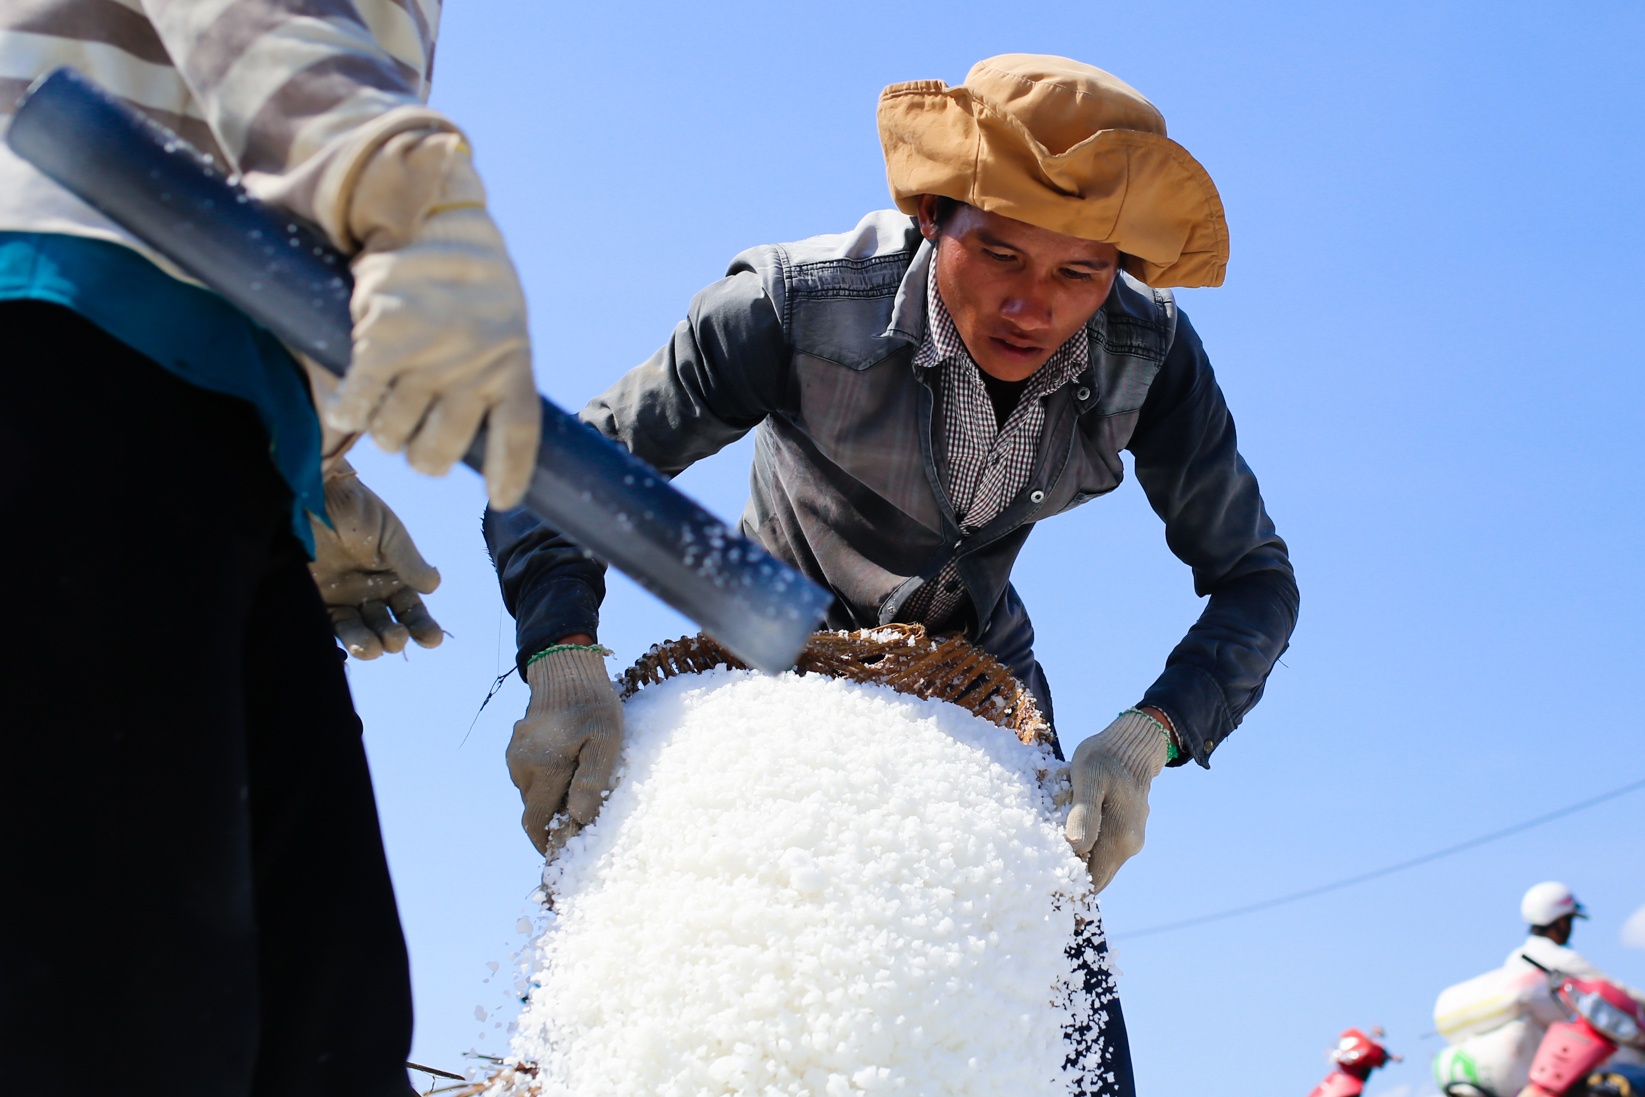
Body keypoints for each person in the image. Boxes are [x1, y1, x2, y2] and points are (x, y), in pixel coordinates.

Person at [485, 54, 1297, 1096]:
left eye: (1078, 274)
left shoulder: (1152, 357)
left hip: (982, 687)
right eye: (999, 251)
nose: (1032, 304)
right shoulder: (788, 305)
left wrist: (1149, 738)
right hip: (763, 667)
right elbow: (553, 467)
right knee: (644, 999)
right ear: (932, 217)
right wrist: (561, 660)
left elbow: (1256, 581)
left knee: (1068, 1029)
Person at [0, 4, 540, 1095]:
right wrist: (401, 185)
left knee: (328, 1024)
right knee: (117, 1020)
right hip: (61, 328)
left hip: (220, 429)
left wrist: (312, 462)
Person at [1509, 882, 1645, 1005]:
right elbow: (1616, 991)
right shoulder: (1565, 959)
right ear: (1562, 921)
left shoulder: (1515, 958)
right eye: (1570, 920)